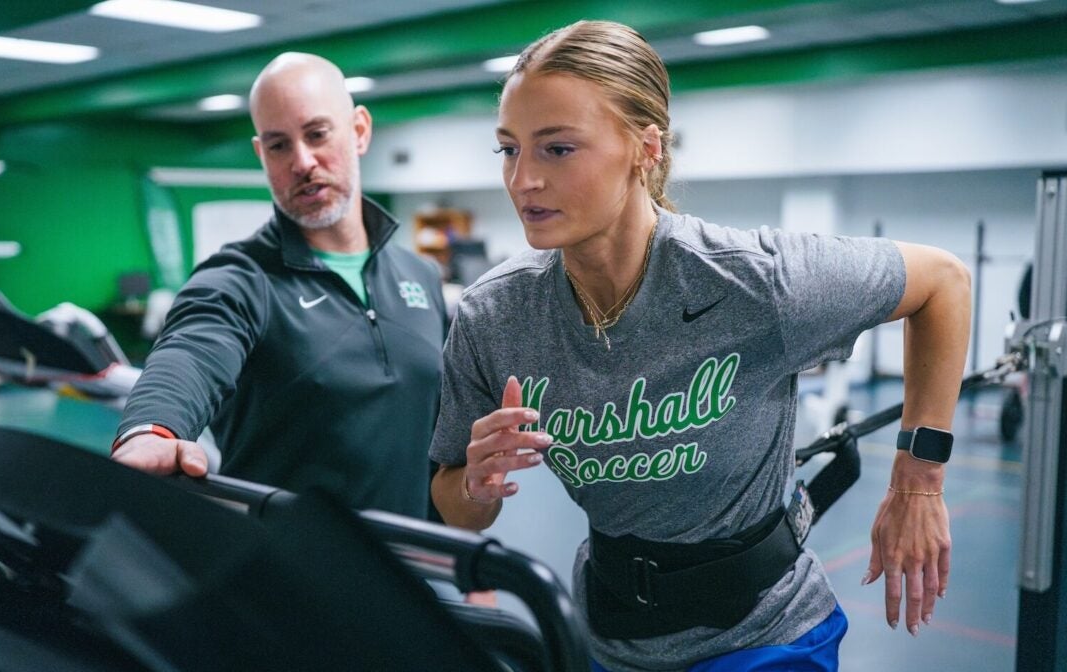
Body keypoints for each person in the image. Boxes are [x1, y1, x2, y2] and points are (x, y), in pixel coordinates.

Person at [429, 20, 970, 671]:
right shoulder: (496, 314)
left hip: (766, 638)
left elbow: (944, 282)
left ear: (645, 147)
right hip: (611, 638)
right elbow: (456, 511)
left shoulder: (752, 281)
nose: (523, 180)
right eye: (509, 150)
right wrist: (480, 484)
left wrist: (920, 480)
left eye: (558, 149)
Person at [112, 52, 446, 518]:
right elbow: (190, 352)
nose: (302, 162)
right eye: (278, 145)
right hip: (285, 572)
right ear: (260, 154)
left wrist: (463, 558)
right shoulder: (238, 279)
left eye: (317, 134)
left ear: (359, 130)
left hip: (415, 564)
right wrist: (154, 430)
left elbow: (434, 433)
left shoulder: (419, 275)